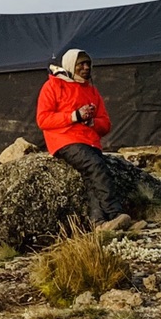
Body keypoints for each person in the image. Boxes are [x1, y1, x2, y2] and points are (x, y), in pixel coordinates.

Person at [36, 48, 119, 225]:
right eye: (81, 64)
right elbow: (43, 119)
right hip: (65, 140)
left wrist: (91, 123)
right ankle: (115, 213)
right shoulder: (53, 86)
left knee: (93, 178)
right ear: (70, 65)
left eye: (88, 63)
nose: (86, 67)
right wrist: (75, 116)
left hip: (90, 141)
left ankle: (99, 223)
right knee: (96, 167)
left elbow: (106, 124)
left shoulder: (92, 91)